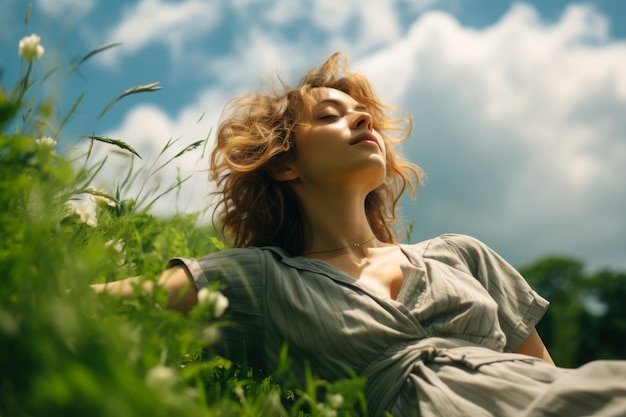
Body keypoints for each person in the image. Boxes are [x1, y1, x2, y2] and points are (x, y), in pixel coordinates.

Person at [94, 52, 626, 417]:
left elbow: (551, 377)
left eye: (363, 115)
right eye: (331, 115)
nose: (361, 122)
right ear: (284, 165)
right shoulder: (258, 281)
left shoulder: (461, 256)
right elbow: (94, 304)